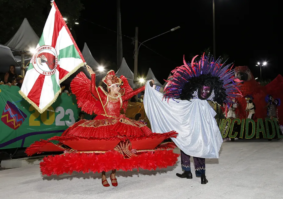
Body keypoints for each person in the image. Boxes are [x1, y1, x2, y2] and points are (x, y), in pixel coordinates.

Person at [26, 65, 178, 187]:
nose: (119, 88)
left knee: (117, 151)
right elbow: (92, 90)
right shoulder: (103, 96)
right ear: (110, 88)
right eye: (117, 87)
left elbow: (132, 94)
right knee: (104, 152)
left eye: (119, 86)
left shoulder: (120, 97)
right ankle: (104, 175)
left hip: (119, 125)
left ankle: (112, 174)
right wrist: (92, 75)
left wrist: (145, 86)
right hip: (104, 126)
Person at [144, 54, 241, 184]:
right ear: (197, 88)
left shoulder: (205, 104)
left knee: (199, 148)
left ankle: (201, 174)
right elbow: (170, 99)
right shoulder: (189, 101)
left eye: (208, 91)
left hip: (200, 130)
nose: (205, 93)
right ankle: (188, 172)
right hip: (189, 128)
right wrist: (153, 88)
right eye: (203, 90)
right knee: (185, 145)